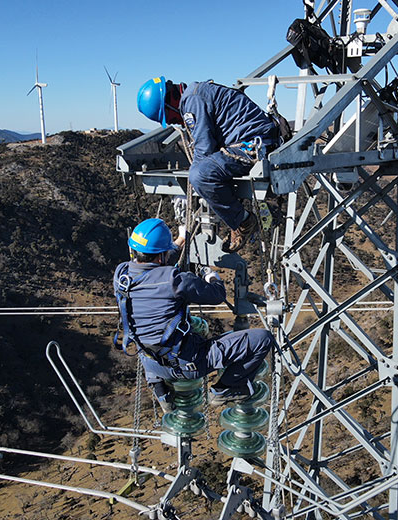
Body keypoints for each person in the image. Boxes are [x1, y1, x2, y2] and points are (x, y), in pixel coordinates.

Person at [114, 217, 275, 412]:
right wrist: (211, 276)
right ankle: (226, 388)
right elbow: (217, 295)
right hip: (188, 363)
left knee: (149, 334)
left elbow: (155, 262)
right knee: (263, 339)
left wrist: (180, 240)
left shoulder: (121, 275)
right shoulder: (174, 281)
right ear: (160, 257)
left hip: (151, 362)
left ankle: (160, 390)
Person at [136, 77, 279, 253]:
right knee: (201, 173)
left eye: (169, 116)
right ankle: (239, 218)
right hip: (250, 141)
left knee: (200, 175)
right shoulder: (195, 94)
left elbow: (204, 148)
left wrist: (195, 180)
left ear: (170, 102)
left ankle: (244, 221)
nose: (173, 121)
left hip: (252, 146)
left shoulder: (192, 101)